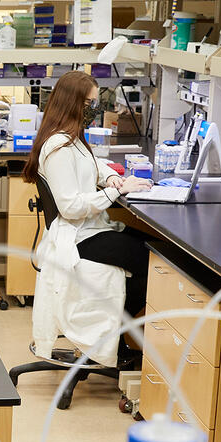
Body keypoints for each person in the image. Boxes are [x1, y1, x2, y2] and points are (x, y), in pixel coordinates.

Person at [22, 71, 152, 364]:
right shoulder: (58, 147)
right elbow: (70, 207)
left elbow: (92, 163)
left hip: (88, 230)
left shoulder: (72, 139)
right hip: (77, 238)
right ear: (73, 103)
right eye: (89, 103)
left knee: (151, 248)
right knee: (152, 262)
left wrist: (110, 178)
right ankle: (105, 342)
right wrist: (114, 194)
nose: (95, 108)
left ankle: (110, 340)